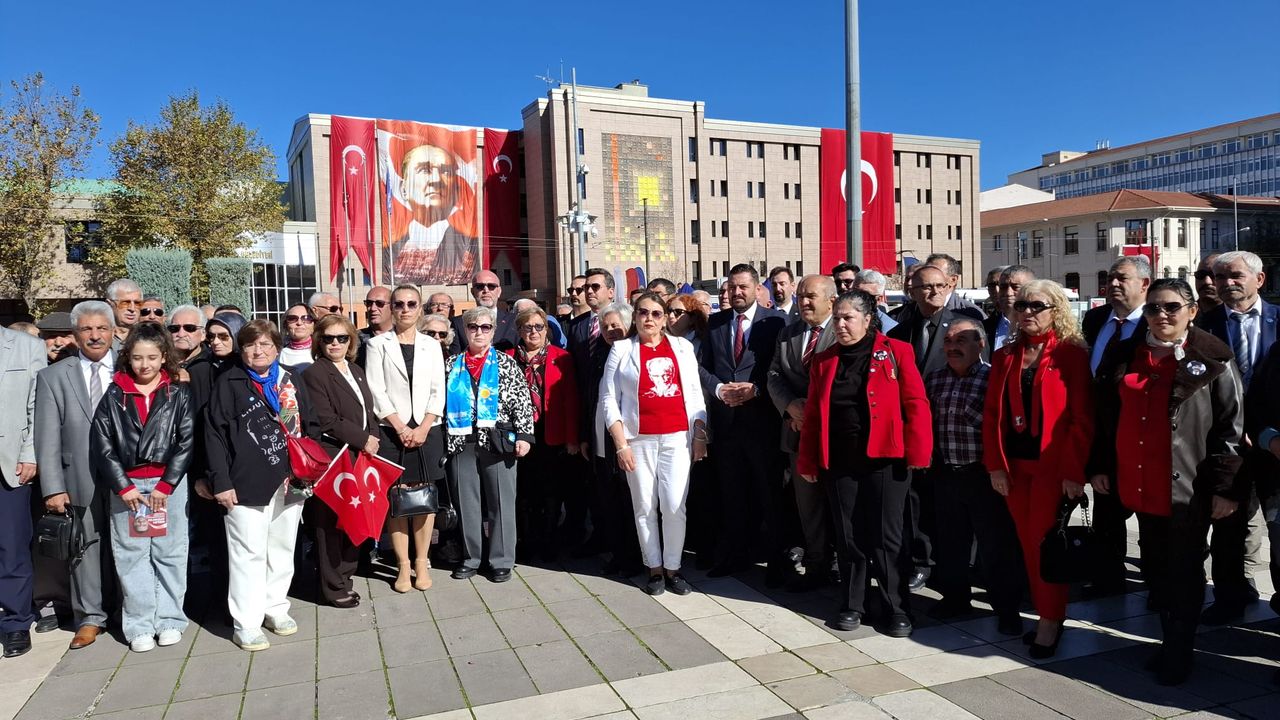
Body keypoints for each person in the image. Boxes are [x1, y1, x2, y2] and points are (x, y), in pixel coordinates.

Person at [1090, 278, 1244, 684]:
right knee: (1157, 570)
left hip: (1187, 488)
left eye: (1172, 307)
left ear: (1192, 311)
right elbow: (1106, 419)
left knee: (1185, 571)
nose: (1161, 315)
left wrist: (1227, 488)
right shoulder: (1126, 354)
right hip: (1139, 484)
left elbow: (1231, 428)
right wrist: (1100, 465)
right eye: (1154, 308)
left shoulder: (1214, 359)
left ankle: (1179, 650)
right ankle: (1168, 639)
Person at [798, 289, 931, 636]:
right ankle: (853, 603)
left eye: (848, 318)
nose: (840, 325)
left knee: (887, 538)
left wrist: (918, 453)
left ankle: (897, 607)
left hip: (886, 460)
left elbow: (915, 403)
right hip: (839, 461)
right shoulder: (824, 360)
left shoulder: (896, 352)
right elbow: (813, 414)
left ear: (868, 320)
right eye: (838, 318)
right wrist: (809, 460)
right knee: (849, 537)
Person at [984, 279, 1093, 659]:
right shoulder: (1006, 355)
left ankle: (1050, 619)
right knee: (1027, 544)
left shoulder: (1071, 355)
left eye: (1037, 305)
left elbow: (1081, 420)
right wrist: (995, 466)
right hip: (1014, 467)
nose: (1027, 312)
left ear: (1056, 310)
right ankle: (1047, 612)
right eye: (1022, 306)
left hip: (1052, 467)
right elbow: (993, 416)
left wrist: (1073, 472)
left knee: (1043, 544)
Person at [204, 320, 315, 652]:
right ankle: (247, 622)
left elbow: (308, 424)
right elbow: (214, 436)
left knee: (281, 549)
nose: (258, 351)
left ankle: (275, 607)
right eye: (251, 345)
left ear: (277, 348)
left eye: (265, 344)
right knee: (247, 554)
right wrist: (220, 482)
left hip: (291, 479)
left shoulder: (291, 380)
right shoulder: (230, 384)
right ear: (242, 349)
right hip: (245, 483)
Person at [90, 323, 194, 653]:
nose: (144, 365)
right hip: (130, 487)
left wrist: (167, 484)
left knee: (171, 552)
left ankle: (170, 619)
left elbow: (186, 441)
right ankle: (138, 624)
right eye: (137, 358)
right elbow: (102, 443)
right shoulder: (114, 394)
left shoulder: (177, 393)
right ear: (127, 359)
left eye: (151, 357)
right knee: (132, 555)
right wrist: (123, 487)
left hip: (167, 485)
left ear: (164, 357)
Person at [600, 293, 707, 596]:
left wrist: (700, 435)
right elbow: (609, 399)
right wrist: (621, 444)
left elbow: (696, 395)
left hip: (677, 438)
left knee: (675, 504)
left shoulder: (682, 347)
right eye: (643, 312)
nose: (649, 318)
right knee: (644, 505)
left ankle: (674, 567)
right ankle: (655, 569)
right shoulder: (622, 349)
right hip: (639, 439)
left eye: (656, 313)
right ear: (634, 317)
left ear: (664, 318)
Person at [924, 318, 1024, 635]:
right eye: (949, 341)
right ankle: (955, 599)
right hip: (946, 473)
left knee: (995, 547)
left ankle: (1006, 609)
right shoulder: (935, 380)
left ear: (981, 345)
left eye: (962, 340)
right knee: (951, 544)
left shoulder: (994, 378)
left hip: (984, 476)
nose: (953, 347)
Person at [888, 264, 982, 589]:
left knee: (955, 510)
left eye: (940, 285)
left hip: (952, 432)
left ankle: (959, 568)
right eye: (926, 287)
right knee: (916, 504)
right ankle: (922, 562)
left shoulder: (962, 329)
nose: (935, 292)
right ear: (911, 291)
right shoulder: (900, 331)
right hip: (913, 432)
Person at [1199, 250, 1277, 624]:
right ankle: (1229, 596)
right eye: (1220, 277)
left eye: (1236, 276)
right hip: (1226, 445)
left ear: (1259, 280)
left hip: (1274, 445)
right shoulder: (1203, 325)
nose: (1227, 283)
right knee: (1227, 527)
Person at [699, 264, 790, 584]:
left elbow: (783, 369)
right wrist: (719, 389)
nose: (736, 293)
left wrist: (758, 390)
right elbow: (703, 367)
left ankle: (778, 562)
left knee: (769, 495)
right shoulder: (716, 323)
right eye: (731, 287)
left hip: (762, 422)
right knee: (732, 494)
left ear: (756, 289)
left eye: (742, 287)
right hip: (727, 426)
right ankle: (736, 556)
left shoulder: (777, 322)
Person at [33, 301, 117, 650]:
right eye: (87, 329)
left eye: (101, 328)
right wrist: (52, 486)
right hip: (77, 475)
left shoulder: (135, 365)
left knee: (129, 546)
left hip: (130, 477)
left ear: (113, 331)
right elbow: (46, 435)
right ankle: (90, 616)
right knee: (84, 546)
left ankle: (131, 609)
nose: (95, 336)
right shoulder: (54, 376)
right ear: (76, 334)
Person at [365, 286, 447, 592]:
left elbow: (439, 389)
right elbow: (376, 391)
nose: (405, 309)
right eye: (398, 304)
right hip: (392, 430)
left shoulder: (431, 345)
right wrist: (400, 427)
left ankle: (421, 562)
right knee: (396, 499)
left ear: (420, 308)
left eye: (411, 303)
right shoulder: (377, 345)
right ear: (391, 308)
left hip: (428, 430)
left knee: (424, 499)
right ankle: (402, 566)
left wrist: (424, 426)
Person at [445, 306, 535, 582]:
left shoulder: (506, 363)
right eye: (473, 327)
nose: (479, 332)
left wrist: (524, 436)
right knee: (467, 503)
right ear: (465, 330)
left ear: (494, 331)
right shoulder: (452, 364)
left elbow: (522, 400)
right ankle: (471, 557)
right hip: (461, 441)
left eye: (486, 327)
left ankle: (501, 560)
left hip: (497, 441)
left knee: (501, 502)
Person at [1081, 256, 1151, 598]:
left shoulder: (1154, 324)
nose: (1114, 283)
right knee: (1106, 512)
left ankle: (1158, 584)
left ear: (1144, 284)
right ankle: (1108, 580)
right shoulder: (1095, 319)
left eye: (1122, 277)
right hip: (1101, 436)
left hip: (1140, 437)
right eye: (1110, 277)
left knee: (1151, 519)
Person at [302, 314, 381, 608]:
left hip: (359, 456)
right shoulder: (315, 373)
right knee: (330, 525)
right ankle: (332, 587)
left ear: (351, 341)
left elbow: (368, 411)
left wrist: (372, 437)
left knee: (353, 520)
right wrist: (364, 440)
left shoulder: (356, 370)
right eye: (328, 338)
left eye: (342, 338)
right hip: (334, 457)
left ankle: (346, 577)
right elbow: (326, 419)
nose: (335, 343)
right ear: (319, 341)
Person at [767, 275, 838, 592]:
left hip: (834, 436)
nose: (804, 302)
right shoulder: (788, 334)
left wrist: (808, 411)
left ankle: (844, 568)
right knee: (808, 507)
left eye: (811, 296)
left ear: (831, 300)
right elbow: (774, 375)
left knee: (839, 506)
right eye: (800, 297)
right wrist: (789, 406)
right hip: (796, 435)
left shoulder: (844, 331)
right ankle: (816, 566)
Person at [507, 306, 579, 561]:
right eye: (528, 327)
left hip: (551, 434)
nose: (533, 332)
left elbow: (571, 400)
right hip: (517, 436)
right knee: (523, 494)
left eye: (539, 327)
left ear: (546, 330)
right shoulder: (506, 357)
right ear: (519, 331)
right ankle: (526, 544)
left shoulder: (562, 357)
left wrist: (572, 438)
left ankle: (549, 544)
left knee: (550, 494)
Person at [566, 268, 620, 555]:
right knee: (596, 485)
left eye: (595, 286)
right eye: (586, 287)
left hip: (621, 417)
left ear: (611, 291)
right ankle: (601, 537)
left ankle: (622, 545)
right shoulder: (576, 327)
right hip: (590, 415)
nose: (588, 291)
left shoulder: (622, 321)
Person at [0, 321, 45, 658]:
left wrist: (30, 453)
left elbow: (36, 404)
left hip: (10, 462)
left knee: (12, 545)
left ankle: (16, 621)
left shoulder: (25, 346)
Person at [392, 142, 477, 285]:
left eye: (445, 171)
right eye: (424, 170)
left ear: (456, 192)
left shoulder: (467, 249)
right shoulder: (391, 250)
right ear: (403, 189)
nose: (437, 180)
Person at [450, 270, 518, 353]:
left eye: (491, 286)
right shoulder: (458, 323)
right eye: (480, 286)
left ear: (499, 291)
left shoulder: (514, 321)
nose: (486, 290)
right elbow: (455, 358)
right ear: (472, 292)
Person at [985, 265, 1035, 350]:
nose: (1008, 293)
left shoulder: (1041, 327)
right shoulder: (984, 328)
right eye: (1003, 287)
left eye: (1015, 287)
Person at [167, 305, 206, 374]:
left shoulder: (212, 366)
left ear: (203, 334)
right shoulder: (160, 362)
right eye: (175, 328)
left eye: (189, 328)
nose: (181, 334)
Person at [106, 279, 143, 344]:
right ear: (110, 304)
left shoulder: (146, 338)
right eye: (125, 303)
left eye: (137, 303)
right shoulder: (99, 336)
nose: (132, 309)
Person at [279, 303, 315, 368]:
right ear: (286, 325)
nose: (299, 323)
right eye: (292, 318)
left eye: (306, 318)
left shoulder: (322, 351)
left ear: (313, 324)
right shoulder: (278, 354)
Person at [1194, 253, 1222, 318]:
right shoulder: (1184, 315)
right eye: (1201, 275)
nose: (1207, 281)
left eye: (1214, 275)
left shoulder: (1237, 319)